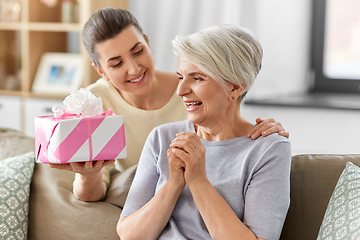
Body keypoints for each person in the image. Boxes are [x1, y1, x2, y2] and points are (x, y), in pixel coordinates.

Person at [50, 8, 289, 202]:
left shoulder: (192, 90)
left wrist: (259, 134)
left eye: (138, 51)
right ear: (101, 71)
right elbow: (90, 195)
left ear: (147, 42)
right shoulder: (93, 105)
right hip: (138, 201)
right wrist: (88, 176)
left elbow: (227, 132)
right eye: (116, 63)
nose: (134, 69)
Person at [117, 24, 291, 240]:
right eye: (181, 77)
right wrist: (174, 184)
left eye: (197, 78)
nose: (180, 91)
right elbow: (129, 236)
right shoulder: (162, 138)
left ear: (235, 88)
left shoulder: (268, 150)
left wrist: (198, 180)